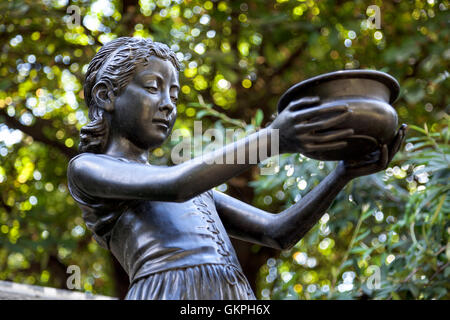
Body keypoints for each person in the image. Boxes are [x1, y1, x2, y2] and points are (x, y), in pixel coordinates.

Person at [67, 37, 406, 300]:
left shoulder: (195, 190)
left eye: (174, 93)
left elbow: (276, 232)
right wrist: (272, 139)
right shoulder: (89, 168)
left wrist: (342, 174)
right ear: (106, 95)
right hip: (168, 290)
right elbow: (177, 184)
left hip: (233, 293)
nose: (168, 103)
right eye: (154, 88)